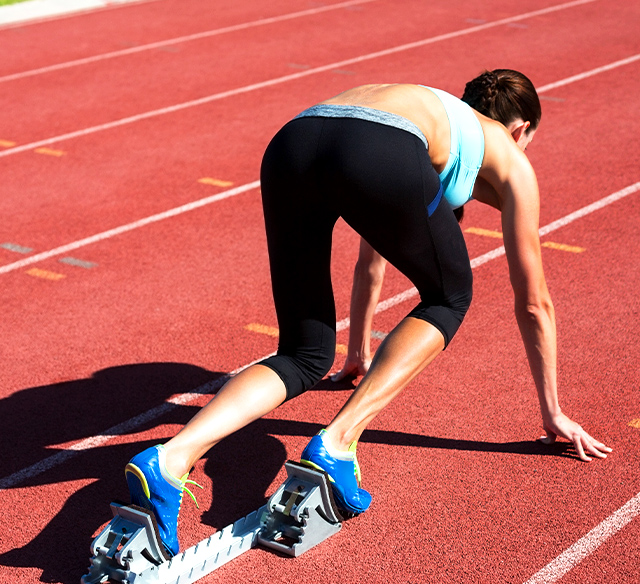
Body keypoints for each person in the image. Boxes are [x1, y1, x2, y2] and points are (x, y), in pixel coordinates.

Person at [124, 70, 612, 558]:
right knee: (449, 296)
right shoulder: (508, 157)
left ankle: (170, 459)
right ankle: (337, 443)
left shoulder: (427, 116)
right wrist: (552, 411)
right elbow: (534, 302)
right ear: (521, 130)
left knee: (303, 353)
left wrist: (356, 352)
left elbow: (371, 261)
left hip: (294, 142)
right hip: (371, 149)